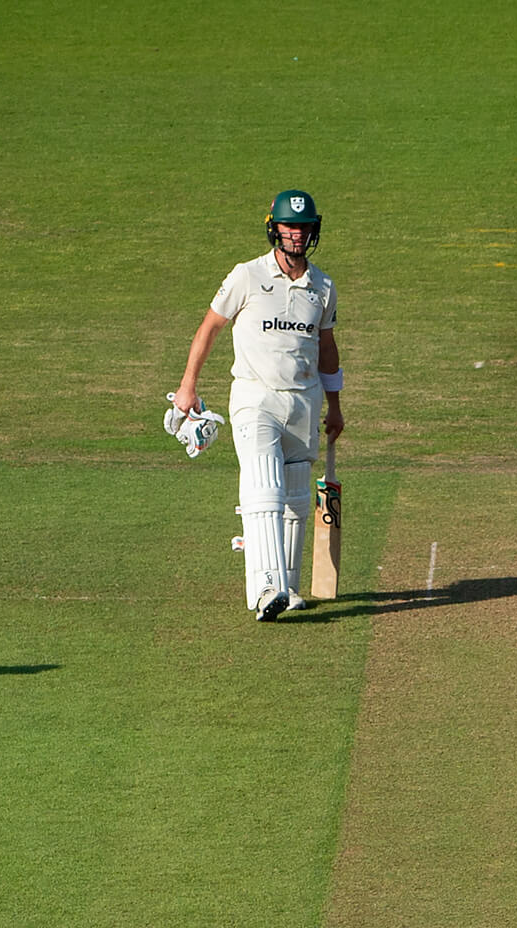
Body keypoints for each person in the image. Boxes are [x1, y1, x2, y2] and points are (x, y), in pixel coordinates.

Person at [173, 190, 345, 622]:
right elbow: (210, 326)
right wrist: (187, 386)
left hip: (302, 402)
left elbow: (326, 348)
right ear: (274, 228)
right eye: (289, 227)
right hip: (255, 398)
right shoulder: (247, 276)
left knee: (297, 498)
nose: (297, 235)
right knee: (264, 486)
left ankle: (286, 586)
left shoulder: (322, 287)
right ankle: (267, 586)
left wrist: (336, 405)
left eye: (303, 228)